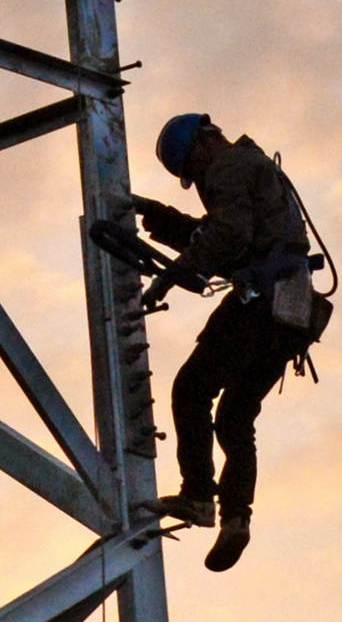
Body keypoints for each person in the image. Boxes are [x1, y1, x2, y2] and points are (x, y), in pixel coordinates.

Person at [134, 113, 320, 575]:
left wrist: (170, 279)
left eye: (193, 172)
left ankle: (199, 494)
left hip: (262, 301)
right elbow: (224, 235)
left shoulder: (228, 166)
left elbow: (228, 236)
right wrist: (162, 220)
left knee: (192, 388)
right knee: (236, 417)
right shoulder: (253, 168)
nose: (198, 182)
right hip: (294, 309)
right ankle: (235, 517)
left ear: (203, 145)